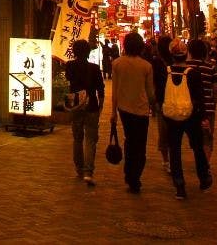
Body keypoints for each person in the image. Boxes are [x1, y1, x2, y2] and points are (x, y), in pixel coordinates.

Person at [163, 39, 212, 199]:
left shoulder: (166, 72)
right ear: (186, 55)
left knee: (174, 150)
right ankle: (203, 178)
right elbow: (200, 97)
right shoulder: (193, 73)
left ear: (171, 55)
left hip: (171, 116)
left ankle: (179, 186)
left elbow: (161, 94)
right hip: (192, 116)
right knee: (197, 147)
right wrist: (204, 117)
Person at [110, 31, 155, 194]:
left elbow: (114, 90)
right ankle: (135, 176)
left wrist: (113, 112)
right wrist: (154, 106)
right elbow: (150, 92)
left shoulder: (117, 64)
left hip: (124, 109)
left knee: (129, 140)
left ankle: (129, 175)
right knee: (140, 144)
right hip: (142, 109)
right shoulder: (146, 66)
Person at [64, 39, 104, 185]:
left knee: (77, 138)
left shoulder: (70, 66)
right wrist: (101, 106)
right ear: (88, 52)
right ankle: (88, 172)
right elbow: (100, 89)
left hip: (75, 105)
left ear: (74, 51)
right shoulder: (94, 68)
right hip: (91, 105)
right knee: (91, 139)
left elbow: (68, 80)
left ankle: (79, 169)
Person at [148, 34, 173, 173]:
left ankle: (166, 160)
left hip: (161, 99)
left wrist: (152, 101)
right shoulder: (176, 60)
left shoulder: (156, 62)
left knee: (163, 131)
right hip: (176, 99)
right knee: (174, 131)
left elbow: (153, 82)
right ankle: (173, 159)